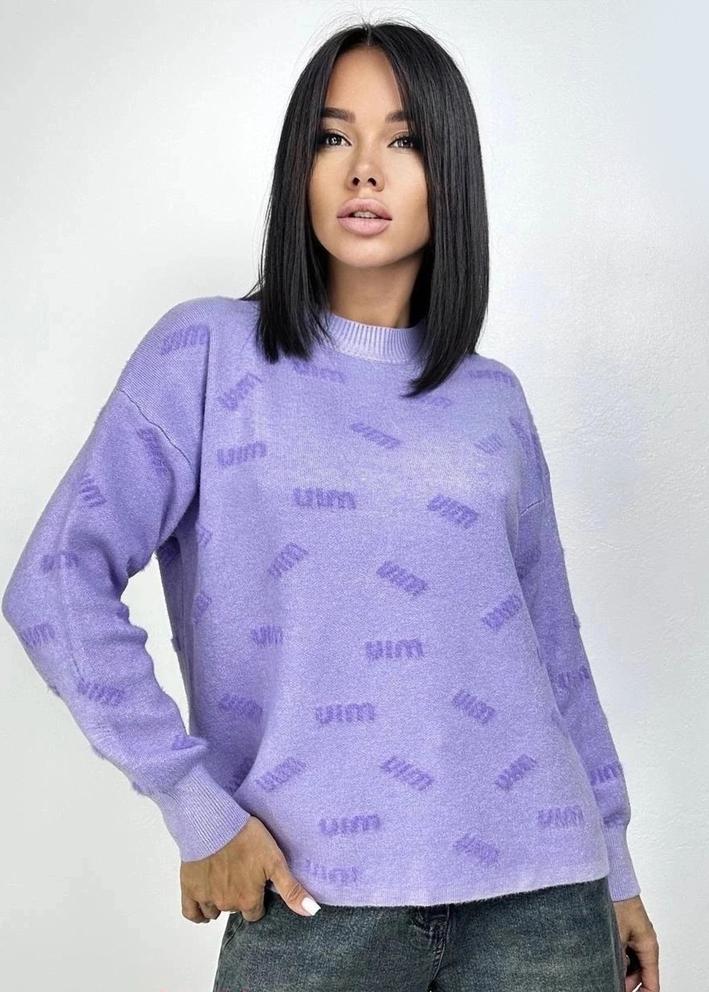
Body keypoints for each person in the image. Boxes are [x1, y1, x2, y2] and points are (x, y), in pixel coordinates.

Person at [2, 18, 660, 992]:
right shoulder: (206, 354)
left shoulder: (493, 400)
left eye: (403, 140)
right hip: (312, 902)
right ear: (298, 167)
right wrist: (197, 809)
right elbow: (55, 580)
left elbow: (552, 647)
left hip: (544, 899)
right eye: (331, 135)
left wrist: (619, 872)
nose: (363, 169)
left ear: (449, 178)